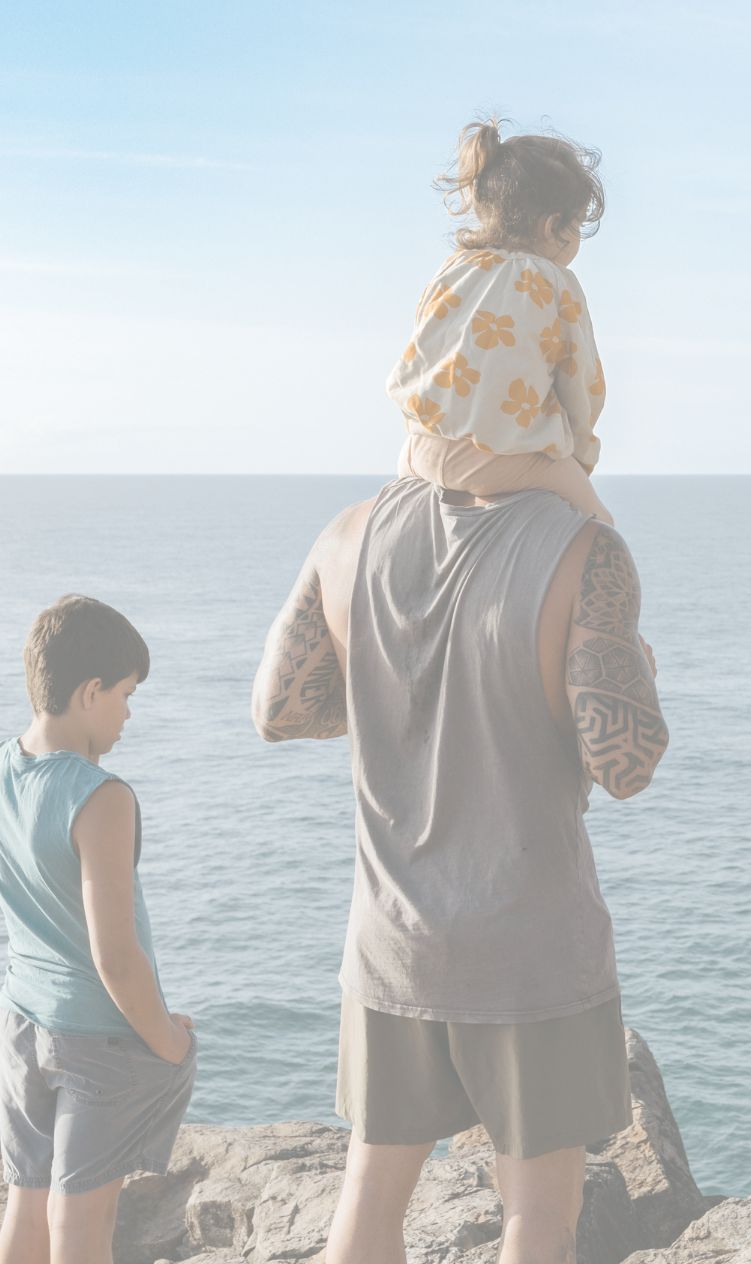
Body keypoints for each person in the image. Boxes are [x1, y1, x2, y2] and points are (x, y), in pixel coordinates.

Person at [252, 480, 668, 1263]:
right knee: (539, 1213)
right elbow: (624, 762)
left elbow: (278, 709)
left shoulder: (348, 532)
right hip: (529, 948)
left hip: (391, 938)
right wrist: (635, 675)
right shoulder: (583, 547)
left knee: (371, 1190)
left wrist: (402, 688)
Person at [0, 595, 196, 1264]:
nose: (128, 713)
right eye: (125, 694)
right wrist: (167, 1038)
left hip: (25, 1024)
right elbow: (116, 955)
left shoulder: (4, 771)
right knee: (84, 1224)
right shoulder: (99, 795)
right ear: (90, 692)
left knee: (28, 1202)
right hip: (99, 1040)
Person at [387, 116, 613, 525]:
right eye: (577, 225)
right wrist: (581, 456)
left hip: (419, 449)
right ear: (552, 226)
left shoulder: (453, 268)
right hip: (502, 458)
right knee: (601, 532)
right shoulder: (555, 282)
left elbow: (421, 352)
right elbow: (581, 385)